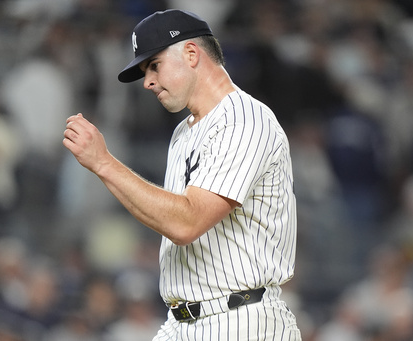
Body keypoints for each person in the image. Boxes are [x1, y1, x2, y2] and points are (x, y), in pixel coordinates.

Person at [63, 9, 301, 341]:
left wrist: (104, 163)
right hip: (183, 321)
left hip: (240, 320)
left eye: (154, 65)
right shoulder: (183, 134)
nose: (147, 81)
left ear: (191, 54)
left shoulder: (245, 120)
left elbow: (186, 223)